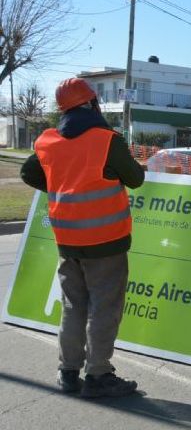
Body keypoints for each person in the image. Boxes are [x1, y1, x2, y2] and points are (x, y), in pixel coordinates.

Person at [20, 78, 144, 398]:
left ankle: (69, 371)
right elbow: (136, 178)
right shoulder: (107, 140)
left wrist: (62, 186)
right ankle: (99, 374)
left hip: (68, 240)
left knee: (73, 305)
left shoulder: (48, 141)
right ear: (92, 104)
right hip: (105, 241)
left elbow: (29, 173)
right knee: (104, 307)